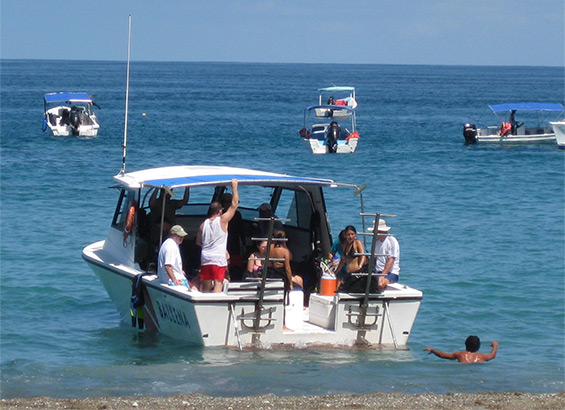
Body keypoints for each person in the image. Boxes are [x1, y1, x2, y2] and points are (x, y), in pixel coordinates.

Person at [197, 179, 239, 293]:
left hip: (205, 257)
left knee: (205, 283)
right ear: (220, 211)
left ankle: (204, 301)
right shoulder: (222, 220)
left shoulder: (203, 224)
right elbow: (234, 205)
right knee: (218, 283)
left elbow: (198, 242)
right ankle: (214, 302)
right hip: (218, 258)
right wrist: (234, 187)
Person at [221, 192, 246, 281]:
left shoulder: (237, 214)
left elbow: (241, 230)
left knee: (235, 263)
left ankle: (234, 278)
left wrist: (243, 244)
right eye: (226, 201)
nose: (228, 203)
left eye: (229, 201)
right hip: (223, 241)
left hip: (234, 241)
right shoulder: (221, 215)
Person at [424, 336, 499, 363]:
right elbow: (492, 355)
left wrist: (433, 350)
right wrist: (495, 345)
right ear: (478, 346)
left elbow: (443, 355)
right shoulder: (482, 356)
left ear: (465, 345)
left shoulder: (460, 354)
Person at [372, 219, 400, 290]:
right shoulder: (376, 242)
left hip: (391, 272)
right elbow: (374, 259)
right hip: (378, 271)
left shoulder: (392, 240)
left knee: (381, 284)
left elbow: (391, 260)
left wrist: (383, 275)